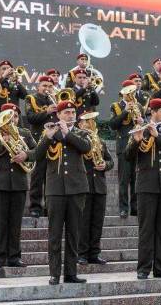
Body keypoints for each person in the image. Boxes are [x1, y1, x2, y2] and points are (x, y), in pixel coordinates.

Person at [125, 98, 161, 280]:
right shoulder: (140, 129)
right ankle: (143, 268)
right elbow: (128, 156)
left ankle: (160, 268)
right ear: (152, 112)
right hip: (146, 185)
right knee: (146, 229)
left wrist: (158, 136)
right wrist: (136, 141)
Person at [34, 100, 91, 285]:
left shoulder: (81, 132)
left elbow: (86, 148)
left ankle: (71, 273)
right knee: (55, 234)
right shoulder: (50, 132)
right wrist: (48, 137)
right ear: (58, 115)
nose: (70, 115)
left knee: (74, 233)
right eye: (66, 112)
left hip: (76, 189)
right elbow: (37, 154)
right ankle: (54, 273)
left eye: (72, 112)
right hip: (55, 189)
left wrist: (67, 132)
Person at [0, 104, 36, 268]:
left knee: (16, 222)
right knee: (0, 222)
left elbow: (37, 151)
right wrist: (2, 145)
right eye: (9, 116)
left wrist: (26, 154)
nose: (13, 120)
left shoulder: (25, 133)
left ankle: (15, 257)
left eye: (16, 116)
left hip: (19, 183)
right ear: (1, 117)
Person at [76, 112, 113, 265]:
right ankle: (82, 253)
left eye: (91, 120)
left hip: (99, 186)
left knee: (97, 222)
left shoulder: (101, 141)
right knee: (84, 222)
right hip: (84, 185)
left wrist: (105, 165)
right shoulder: (77, 140)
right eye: (86, 121)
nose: (90, 123)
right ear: (80, 125)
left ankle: (94, 253)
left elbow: (110, 161)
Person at [25, 75, 59, 217]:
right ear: (38, 87)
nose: (47, 89)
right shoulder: (31, 99)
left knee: (51, 177)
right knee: (38, 176)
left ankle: (49, 207)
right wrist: (47, 112)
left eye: (50, 86)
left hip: (55, 143)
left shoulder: (57, 100)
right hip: (38, 141)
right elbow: (31, 118)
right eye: (44, 86)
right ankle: (35, 207)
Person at [110, 80, 143, 218]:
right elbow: (113, 125)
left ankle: (135, 208)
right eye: (128, 91)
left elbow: (142, 124)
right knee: (124, 180)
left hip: (137, 145)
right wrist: (125, 111)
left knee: (136, 179)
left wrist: (142, 121)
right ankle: (123, 208)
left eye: (132, 91)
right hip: (123, 146)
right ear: (122, 91)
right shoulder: (116, 106)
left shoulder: (139, 105)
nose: (131, 94)